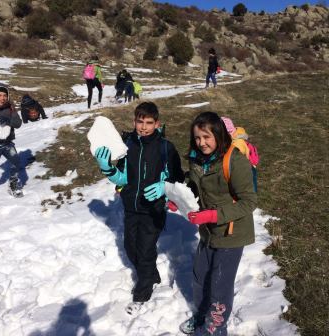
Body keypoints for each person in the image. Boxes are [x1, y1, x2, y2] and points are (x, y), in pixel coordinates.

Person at [94, 102, 185, 314]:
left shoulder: (165, 148)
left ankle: (142, 294)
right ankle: (150, 274)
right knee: (130, 247)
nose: (143, 127)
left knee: (144, 250)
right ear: (134, 121)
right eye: (139, 122)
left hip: (153, 209)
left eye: (148, 123)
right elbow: (123, 177)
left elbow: (177, 179)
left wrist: (165, 188)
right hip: (131, 206)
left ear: (157, 123)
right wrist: (107, 168)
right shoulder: (128, 144)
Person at [178, 112, 257, 336]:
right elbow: (196, 188)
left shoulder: (235, 161)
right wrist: (181, 199)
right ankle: (202, 316)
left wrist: (212, 215)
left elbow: (249, 202)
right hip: (208, 232)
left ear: (219, 135)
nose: (201, 143)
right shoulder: (197, 159)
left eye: (206, 137)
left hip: (231, 233)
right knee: (199, 276)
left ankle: (215, 328)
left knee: (220, 284)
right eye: (197, 138)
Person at [0, 83, 23, 197]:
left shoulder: (10, 107)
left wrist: (7, 120)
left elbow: (18, 123)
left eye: (4, 95)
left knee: (16, 163)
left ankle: (13, 185)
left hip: (7, 143)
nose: (2, 98)